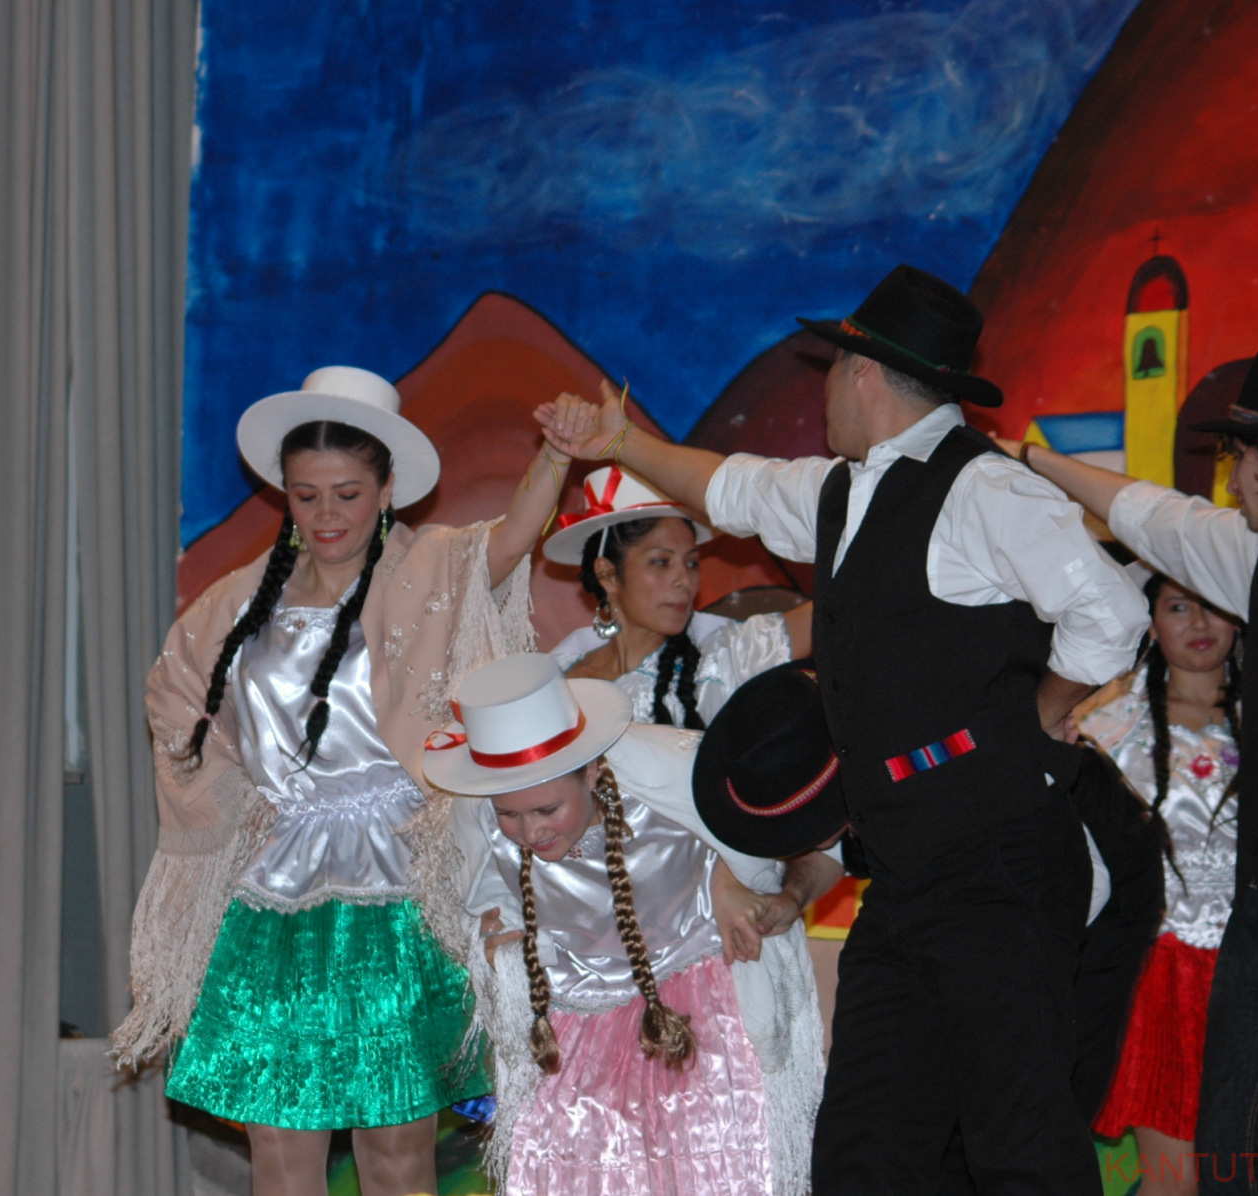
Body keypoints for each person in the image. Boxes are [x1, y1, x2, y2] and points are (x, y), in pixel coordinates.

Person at [537, 264, 1149, 1195]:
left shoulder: (985, 490)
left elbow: (1111, 610)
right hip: (903, 876)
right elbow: (730, 487)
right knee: (864, 1156)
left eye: (830, 367)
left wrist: (1043, 707)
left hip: (1000, 863)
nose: (822, 388)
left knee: (1018, 1145)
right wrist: (622, 442)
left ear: (862, 373)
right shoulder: (844, 492)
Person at [112, 366, 569, 1196]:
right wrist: (236, 806)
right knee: (280, 1149)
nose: (327, 515)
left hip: (398, 890)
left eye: (348, 495)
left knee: (395, 1151)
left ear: (387, 491)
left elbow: (507, 541)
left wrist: (559, 455)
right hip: (273, 898)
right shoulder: (236, 604)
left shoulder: (428, 570)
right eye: (307, 495)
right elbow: (174, 699)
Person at [995, 348, 1258, 1193]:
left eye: (1241, 454)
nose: (1229, 477)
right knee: (1237, 1156)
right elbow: (1152, 515)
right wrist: (1030, 459)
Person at [431, 654, 845, 1196]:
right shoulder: (476, 819)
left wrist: (737, 879)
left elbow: (816, 840)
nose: (530, 833)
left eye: (547, 810)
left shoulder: (674, 777)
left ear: (591, 772)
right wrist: (498, 939)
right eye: (510, 814)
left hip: (699, 1007)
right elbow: (475, 900)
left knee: (711, 1166)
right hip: (578, 1024)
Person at [1081, 575, 1240, 1196]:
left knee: (1256, 1172)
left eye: (1214, 607)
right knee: (1179, 1181)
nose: (1199, 624)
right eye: (1179, 608)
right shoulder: (1107, 730)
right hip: (1163, 978)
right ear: (1150, 622)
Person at [541, 463, 814, 726]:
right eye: (661, 562)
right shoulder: (558, 677)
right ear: (608, 574)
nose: (685, 580)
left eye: (692, 563)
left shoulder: (719, 663)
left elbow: (826, 611)